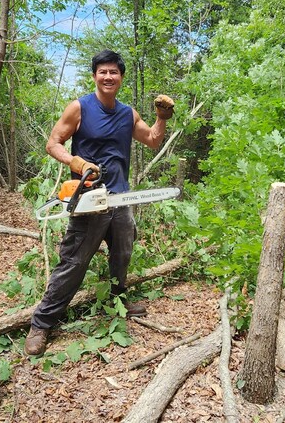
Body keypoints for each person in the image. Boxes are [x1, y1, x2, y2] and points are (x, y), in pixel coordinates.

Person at [25, 49, 175, 356]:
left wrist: (161, 118)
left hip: (121, 196)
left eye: (114, 72)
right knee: (74, 263)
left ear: (121, 78)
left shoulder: (128, 113)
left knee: (123, 252)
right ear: (95, 76)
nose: (108, 77)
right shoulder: (79, 108)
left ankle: (117, 299)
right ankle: (41, 323)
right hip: (88, 199)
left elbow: (152, 139)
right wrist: (76, 162)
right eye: (103, 72)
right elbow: (53, 143)